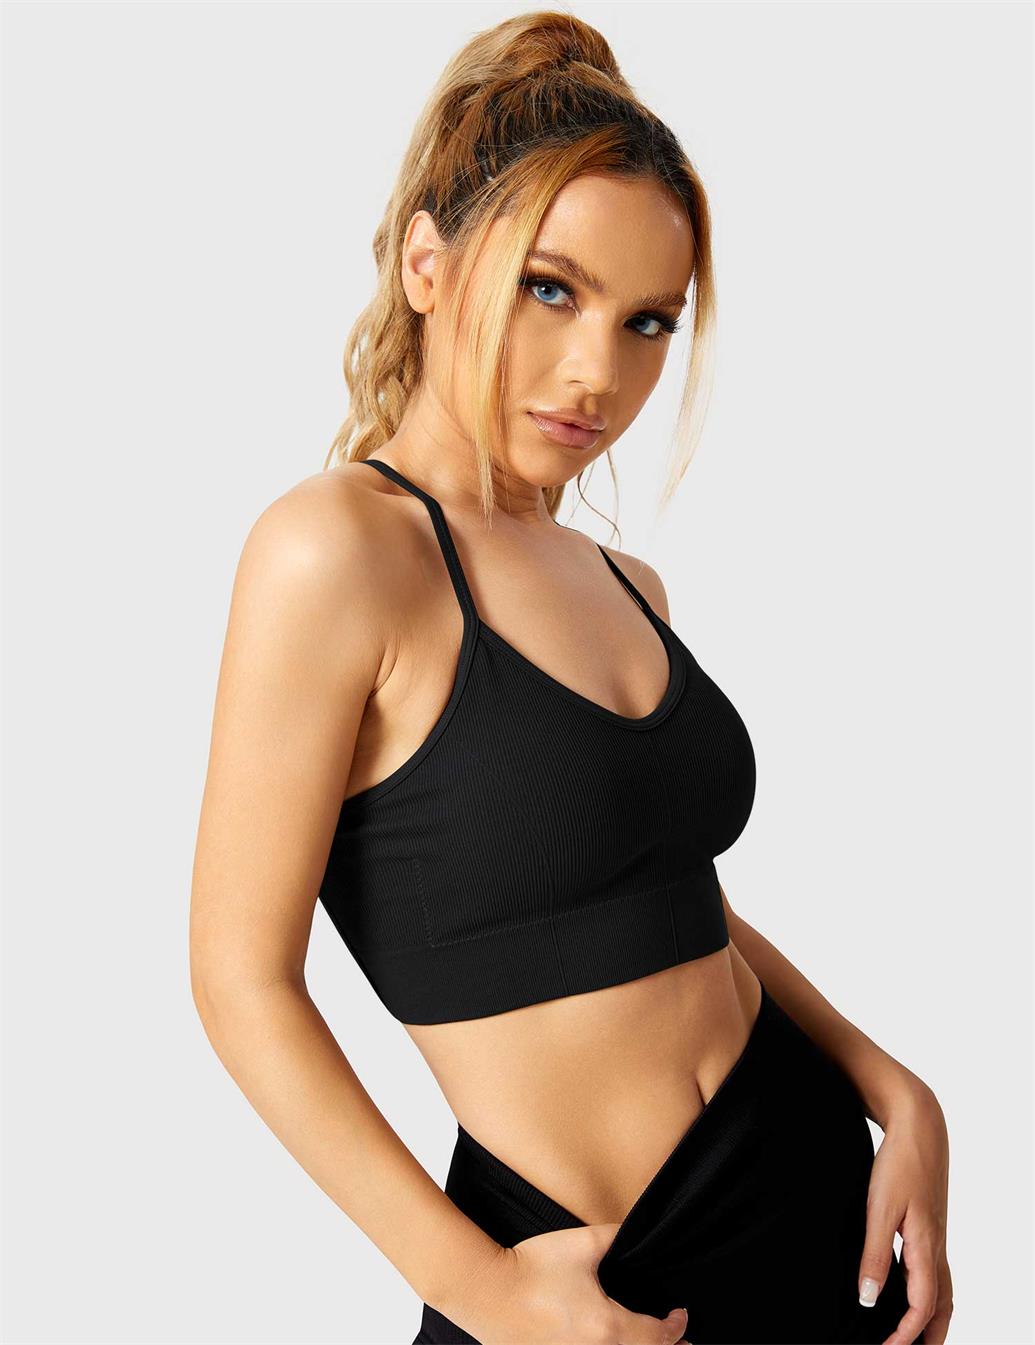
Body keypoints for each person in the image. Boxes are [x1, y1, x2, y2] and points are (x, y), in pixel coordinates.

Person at [189, 11, 952, 1345]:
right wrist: (483, 1291)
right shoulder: (339, 552)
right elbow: (240, 978)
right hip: (594, 1285)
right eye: (553, 289)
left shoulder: (624, 583)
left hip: (823, 1209)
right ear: (427, 264)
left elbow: (666, 905)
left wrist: (894, 1085)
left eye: (648, 321)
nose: (602, 371)